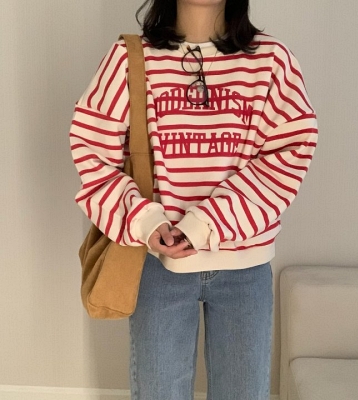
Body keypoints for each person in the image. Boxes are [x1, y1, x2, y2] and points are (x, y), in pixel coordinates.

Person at [69, 0, 318, 398]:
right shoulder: (128, 59)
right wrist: (145, 221)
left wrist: (205, 222)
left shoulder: (271, 61)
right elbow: (92, 153)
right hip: (157, 266)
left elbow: (290, 153)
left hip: (244, 265)